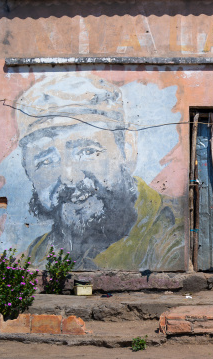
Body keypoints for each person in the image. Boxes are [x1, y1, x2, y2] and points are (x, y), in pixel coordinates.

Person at [15, 74, 183, 270]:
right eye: (45, 161)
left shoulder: (171, 236)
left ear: (127, 149)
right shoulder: (36, 255)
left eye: (87, 151)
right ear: (27, 170)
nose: (69, 178)